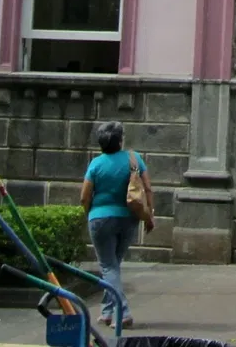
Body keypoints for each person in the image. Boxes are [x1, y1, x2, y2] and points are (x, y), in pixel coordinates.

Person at [81, 121, 155, 330]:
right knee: (113, 265)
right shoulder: (134, 159)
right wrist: (149, 216)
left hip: (100, 219)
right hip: (128, 218)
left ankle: (122, 312)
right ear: (120, 140)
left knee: (108, 266)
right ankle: (106, 311)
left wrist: (90, 215)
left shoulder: (96, 164)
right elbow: (147, 188)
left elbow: (84, 197)